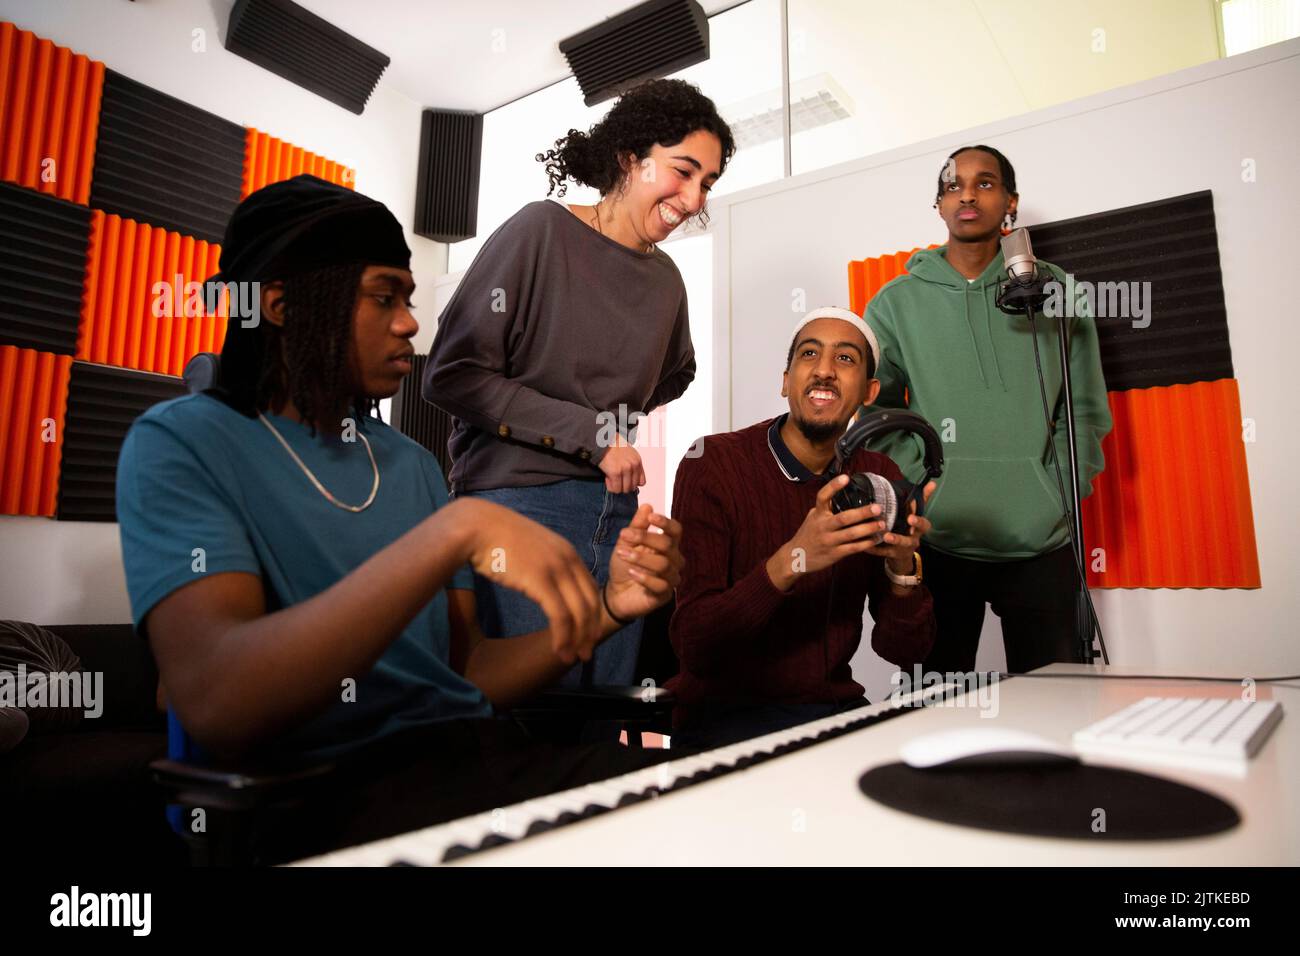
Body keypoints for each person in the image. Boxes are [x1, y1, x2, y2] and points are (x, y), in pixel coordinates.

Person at [115, 175, 685, 861]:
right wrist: (454, 533)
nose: (411, 323)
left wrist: (610, 608)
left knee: (694, 811)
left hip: (467, 762)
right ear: (281, 305)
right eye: (384, 297)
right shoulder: (182, 441)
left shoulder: (410, 465)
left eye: (409, 300)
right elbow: (217, 700)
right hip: (318, 796)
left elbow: (466, 674)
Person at [423, 78, 734, 687]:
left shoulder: (667, 280)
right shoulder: (540, 231)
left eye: (709, 184)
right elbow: (452, 375)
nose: (695, 199)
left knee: (599, 722)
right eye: (683, 171)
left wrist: (612, 424)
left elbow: (678, 372)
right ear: (630, 158)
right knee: (525, 719)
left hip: (614, 513)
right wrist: (595, 432)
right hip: (514, 508)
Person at [864, 145, 1112, 675]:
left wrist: (1058, 490)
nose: (968, 195)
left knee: (1055, 710)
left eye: (985, 183)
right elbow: (876, 415)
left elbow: (1085, 407)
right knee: (936, 713)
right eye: (953, 186)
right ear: (938, 204)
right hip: (940, 539)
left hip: (1042, 540)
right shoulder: (895, 302)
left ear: (1010, 202)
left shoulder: (1057, 291)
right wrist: (924, 480)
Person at [666, 307, 937, 748]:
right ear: (786, 380)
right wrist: (794, 559)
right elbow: (695, 644)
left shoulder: (877, 476)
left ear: (870, 391)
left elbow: (905, 652)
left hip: (833, 715)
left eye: (846, 359)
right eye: (810, 354)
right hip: (725, 718)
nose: (825, 371)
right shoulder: (712, 464)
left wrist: (903, 569)